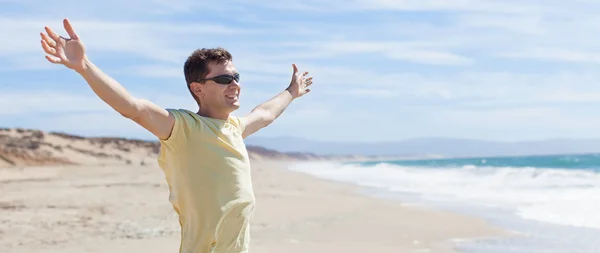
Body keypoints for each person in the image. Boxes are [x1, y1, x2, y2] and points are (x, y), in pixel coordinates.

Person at [39, 18, 313, 253]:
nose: (235, 85)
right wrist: (84, 66)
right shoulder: (183, 128)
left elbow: (265, 114)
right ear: (198, 88)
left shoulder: (234, 128)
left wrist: (291, 91)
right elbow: (133, 108)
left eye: (236, 77)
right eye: (224, 79)